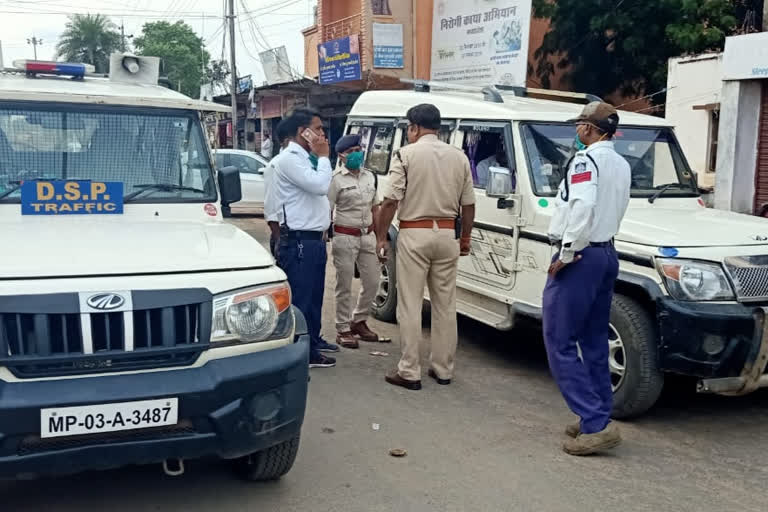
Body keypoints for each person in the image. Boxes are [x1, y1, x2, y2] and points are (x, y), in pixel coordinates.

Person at [544, 102, 630, 455]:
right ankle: (598, 413)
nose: (576, 131)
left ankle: (594, 421)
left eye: (579, 125)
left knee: (558, 340)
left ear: (589, 129)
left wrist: (566, 253)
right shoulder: (621, 163)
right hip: (606, 252)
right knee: (593, 340)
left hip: (580, 254)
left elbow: (582, 206)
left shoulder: (585, 160)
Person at [376, 104, 475, 390]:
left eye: (409, 127)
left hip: (414, 234)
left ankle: (409, 370)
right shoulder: (459, 157)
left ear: (414, 127)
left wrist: (382, 237)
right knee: (445, 304)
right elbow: (468, 205)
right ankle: (442, 369)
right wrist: (465, 238)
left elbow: (390, 201)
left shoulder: (405, 155)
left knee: (410, 304)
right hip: (447, 236)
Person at [271, 108, 339, 368]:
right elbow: (320, 186)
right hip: (300, 241)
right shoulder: (290, 158)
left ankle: (312, 345)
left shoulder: (306, 158)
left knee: (314, 297)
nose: (323, 134)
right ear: (304, 132)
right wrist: (323, 157)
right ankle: (300, 355)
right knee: (301, 299)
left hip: (314, 240)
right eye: (318, 128)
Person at [328, 134, 391, 349]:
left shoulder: (369, 177)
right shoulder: (335, 179)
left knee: (373, 281)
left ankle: (359, 320)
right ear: (341, 156)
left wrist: (381, 237)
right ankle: (343, 328)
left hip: (367, 235)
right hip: (345, 236)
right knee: (344, 284)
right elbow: (327, 209)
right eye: (351, 151)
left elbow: (376, 207)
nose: (357, 154)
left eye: (358, 149)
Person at [264, 121, 293, 257]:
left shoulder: (305, 163)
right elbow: (271, 207)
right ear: (287, 141)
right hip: (286, 235)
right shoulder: (275, 166)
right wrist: (279, 240)